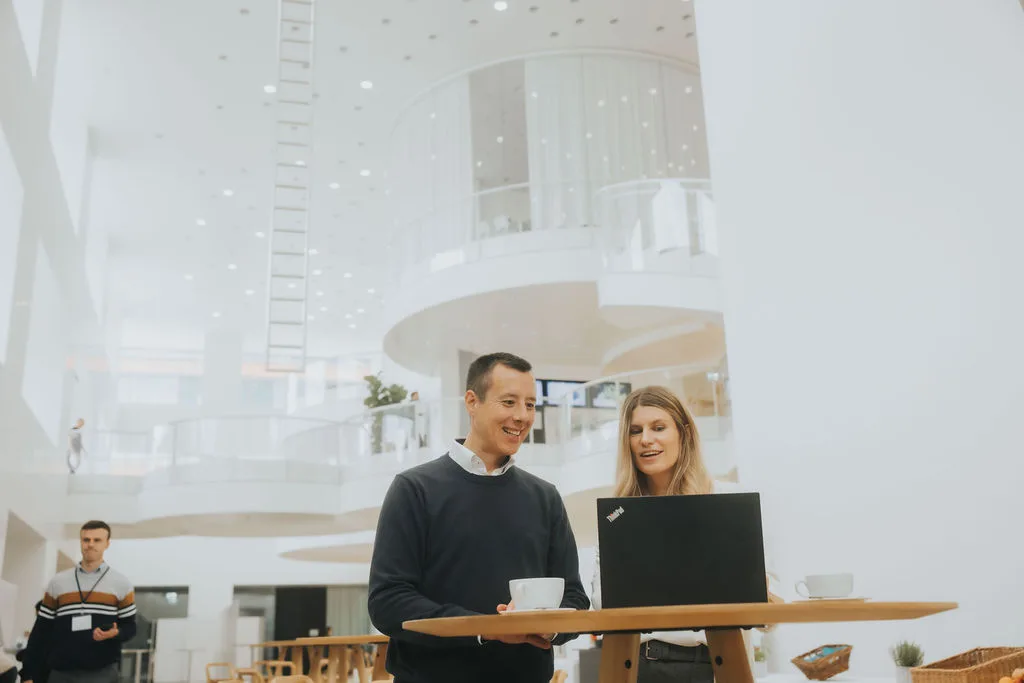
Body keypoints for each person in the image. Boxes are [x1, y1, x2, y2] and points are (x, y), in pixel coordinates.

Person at [368, 352, 590, 683]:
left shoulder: (545, 497)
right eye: (509, 402)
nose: (522, 416)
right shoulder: (414, 489)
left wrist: (550, 627)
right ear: (472, 402)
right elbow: (388, 602)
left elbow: (574, 597)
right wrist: (487, 629)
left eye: (530, 405)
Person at [590, 386, 739, 683]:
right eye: (635, 431)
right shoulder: (618, 514)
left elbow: (766, 599)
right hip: (639, 667)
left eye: (658, 427)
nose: (646, 439)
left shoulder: (725, 500)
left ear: (683, 433)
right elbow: (601, 600)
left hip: (717, 667)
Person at [20, 521, 137, 683]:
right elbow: (41, 631)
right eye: (86, 540)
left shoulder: (121, 583)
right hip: (61, 673)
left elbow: (130, 627)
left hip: (102, 673)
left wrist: (116, 633)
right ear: (80, 542)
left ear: (107, 544)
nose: (90, 544)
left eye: (97, 540)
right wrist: (28, 673)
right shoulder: (58, 583)